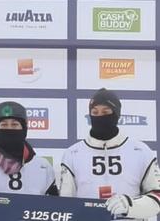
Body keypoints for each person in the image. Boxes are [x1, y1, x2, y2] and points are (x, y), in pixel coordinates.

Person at [60, 88, 160, 220]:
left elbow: (156, 197)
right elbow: (64, 206)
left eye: (106, 112)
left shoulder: (140, 151)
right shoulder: (73, 154)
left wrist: (130, 206)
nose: (99, 116)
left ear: (116, 114)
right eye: (95, 112)